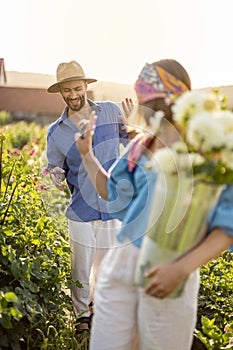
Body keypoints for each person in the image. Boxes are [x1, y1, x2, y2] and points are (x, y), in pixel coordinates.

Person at [76, 59, 233, 350]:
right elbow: (113, 192)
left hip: (170, 267)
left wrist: (181, 269)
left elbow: (229, 222)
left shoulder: (208, 146)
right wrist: (87, 153)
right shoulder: (142, 145)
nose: (147, 111)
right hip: (121, 264)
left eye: (152, 102)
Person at [45, 60, 129, 333]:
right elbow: (55, 166)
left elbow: (132, 147)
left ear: (86, 87)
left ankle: (102, 312)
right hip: (81, 210)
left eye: (77, 88)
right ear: (60, 91)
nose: (72, 95)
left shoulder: (110, 112)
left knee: (107, 268)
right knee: (80, 268)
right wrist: (55, 174)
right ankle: (82, 316)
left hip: (112, 205)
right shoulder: (56, 132)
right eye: (66, 90)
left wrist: (135, 125)